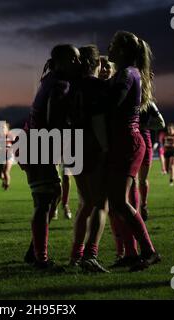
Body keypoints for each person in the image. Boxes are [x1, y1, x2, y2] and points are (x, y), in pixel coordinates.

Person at [22, 44, 81, 270]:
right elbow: (53, 117)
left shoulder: (51, 79)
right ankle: (41, 259)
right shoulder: (60, 83)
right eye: (73, 59)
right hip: (39, 145)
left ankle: (34, 252)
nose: (77, 63)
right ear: (61, 61)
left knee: (51, 195)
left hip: (35, 143)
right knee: (45, 201)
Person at [106, 31, 160, 271]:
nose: (110, 47)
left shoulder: (129, 74)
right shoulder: (123, 73)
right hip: (120, 142)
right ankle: (131, 253)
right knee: (116, 202)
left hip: (129, 142)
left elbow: (111, 103)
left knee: (119, 201)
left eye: (114, 44)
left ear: (124, 50)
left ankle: (149, 251)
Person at [68, 44, 111, 273]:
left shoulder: (70, 85)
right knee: (100, 203)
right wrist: (105, 147)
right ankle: (90, 255)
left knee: (85, 203)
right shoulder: (96, 86)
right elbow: (97, 119)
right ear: (97, 63)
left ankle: (76, 254)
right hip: (91, 146)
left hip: (71, 146)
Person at [138, 98, 165, 220]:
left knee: (142, 179)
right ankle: (133, 209)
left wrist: (145, 125)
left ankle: (143, 205)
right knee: (131, 179)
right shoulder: (125, 100)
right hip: (128, 140)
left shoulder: (148, 104)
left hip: (144, 140)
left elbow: (161, 123)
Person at [0, 121, 14, 190]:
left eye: (3, 128)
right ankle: (4, 180)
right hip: (0, 156)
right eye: (0, 128)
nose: (2, 129)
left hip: (9, 156)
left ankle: (7, 185)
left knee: (6, 171)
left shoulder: (10, 136)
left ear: (7, 129)